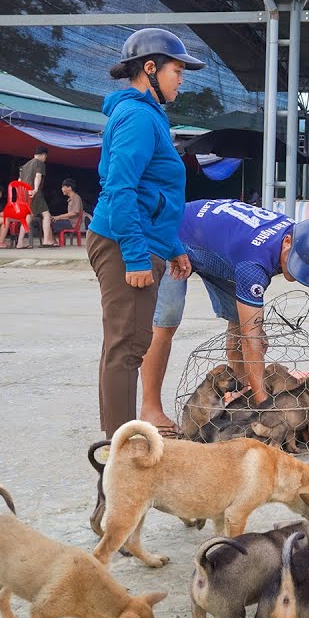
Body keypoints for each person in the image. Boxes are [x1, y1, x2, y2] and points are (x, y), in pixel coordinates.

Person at [87, 27, 204, 439]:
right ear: (150, 68)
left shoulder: (151, 115)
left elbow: (156, 192)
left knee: (123, 345)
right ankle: (121, 449)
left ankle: (117, 441)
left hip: (139, 239)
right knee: (128, 347)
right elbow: (120, 189)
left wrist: (172, 247)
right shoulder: (137, 116)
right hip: (122, 242)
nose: (182, 78)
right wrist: (137, 257)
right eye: (177, 70)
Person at [138, 199, 309, 431]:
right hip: (175, 234)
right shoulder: (254, 263)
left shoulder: (301, 235)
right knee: (166, 320)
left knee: (242, 322)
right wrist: (267, 408)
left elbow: (245, 329)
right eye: (296, 263)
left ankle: (242, 401)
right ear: (287, 242)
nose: (296, 275)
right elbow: (250, 339)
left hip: (220, 250)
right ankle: (150, 409)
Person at [0, 145, 47, 248]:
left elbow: (19, 182)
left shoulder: (24, 166)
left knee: (26, 215)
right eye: (45, 157)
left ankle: (16, 242)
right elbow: (38, 176)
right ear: (43, 155)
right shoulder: (40, 163)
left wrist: (19, 195)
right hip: (32, 193)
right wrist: (35, 189)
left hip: (22, 194)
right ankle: (44, 240)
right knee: (42, 215)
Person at [41, 178, 83, 246]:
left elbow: (74, 213)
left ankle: (52, 242)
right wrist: (58, 218)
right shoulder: (71, 198)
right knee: (51, 220)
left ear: (69, 188)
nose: (62, 189)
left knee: (49, 222)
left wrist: (58, 217)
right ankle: (53, 241)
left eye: (63, 187)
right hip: (70, 221)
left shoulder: (76, 198)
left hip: (73, 223)